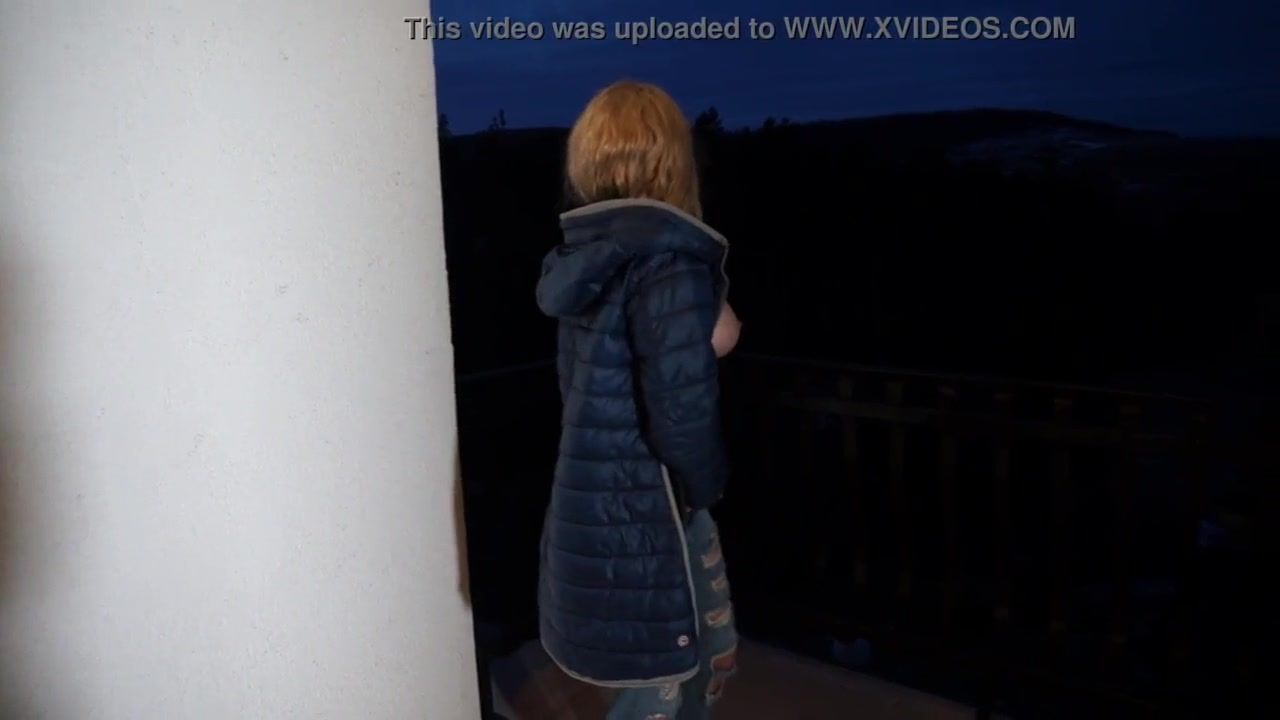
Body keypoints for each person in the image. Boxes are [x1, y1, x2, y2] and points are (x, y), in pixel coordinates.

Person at [534, 80, 740, 719]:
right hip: (652, 506)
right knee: (663, 679)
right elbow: (681, 413)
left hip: (597, 495)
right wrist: (706, 485)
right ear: (672, 158)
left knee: (677, 666)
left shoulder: (584, 259)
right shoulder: (669, 265)